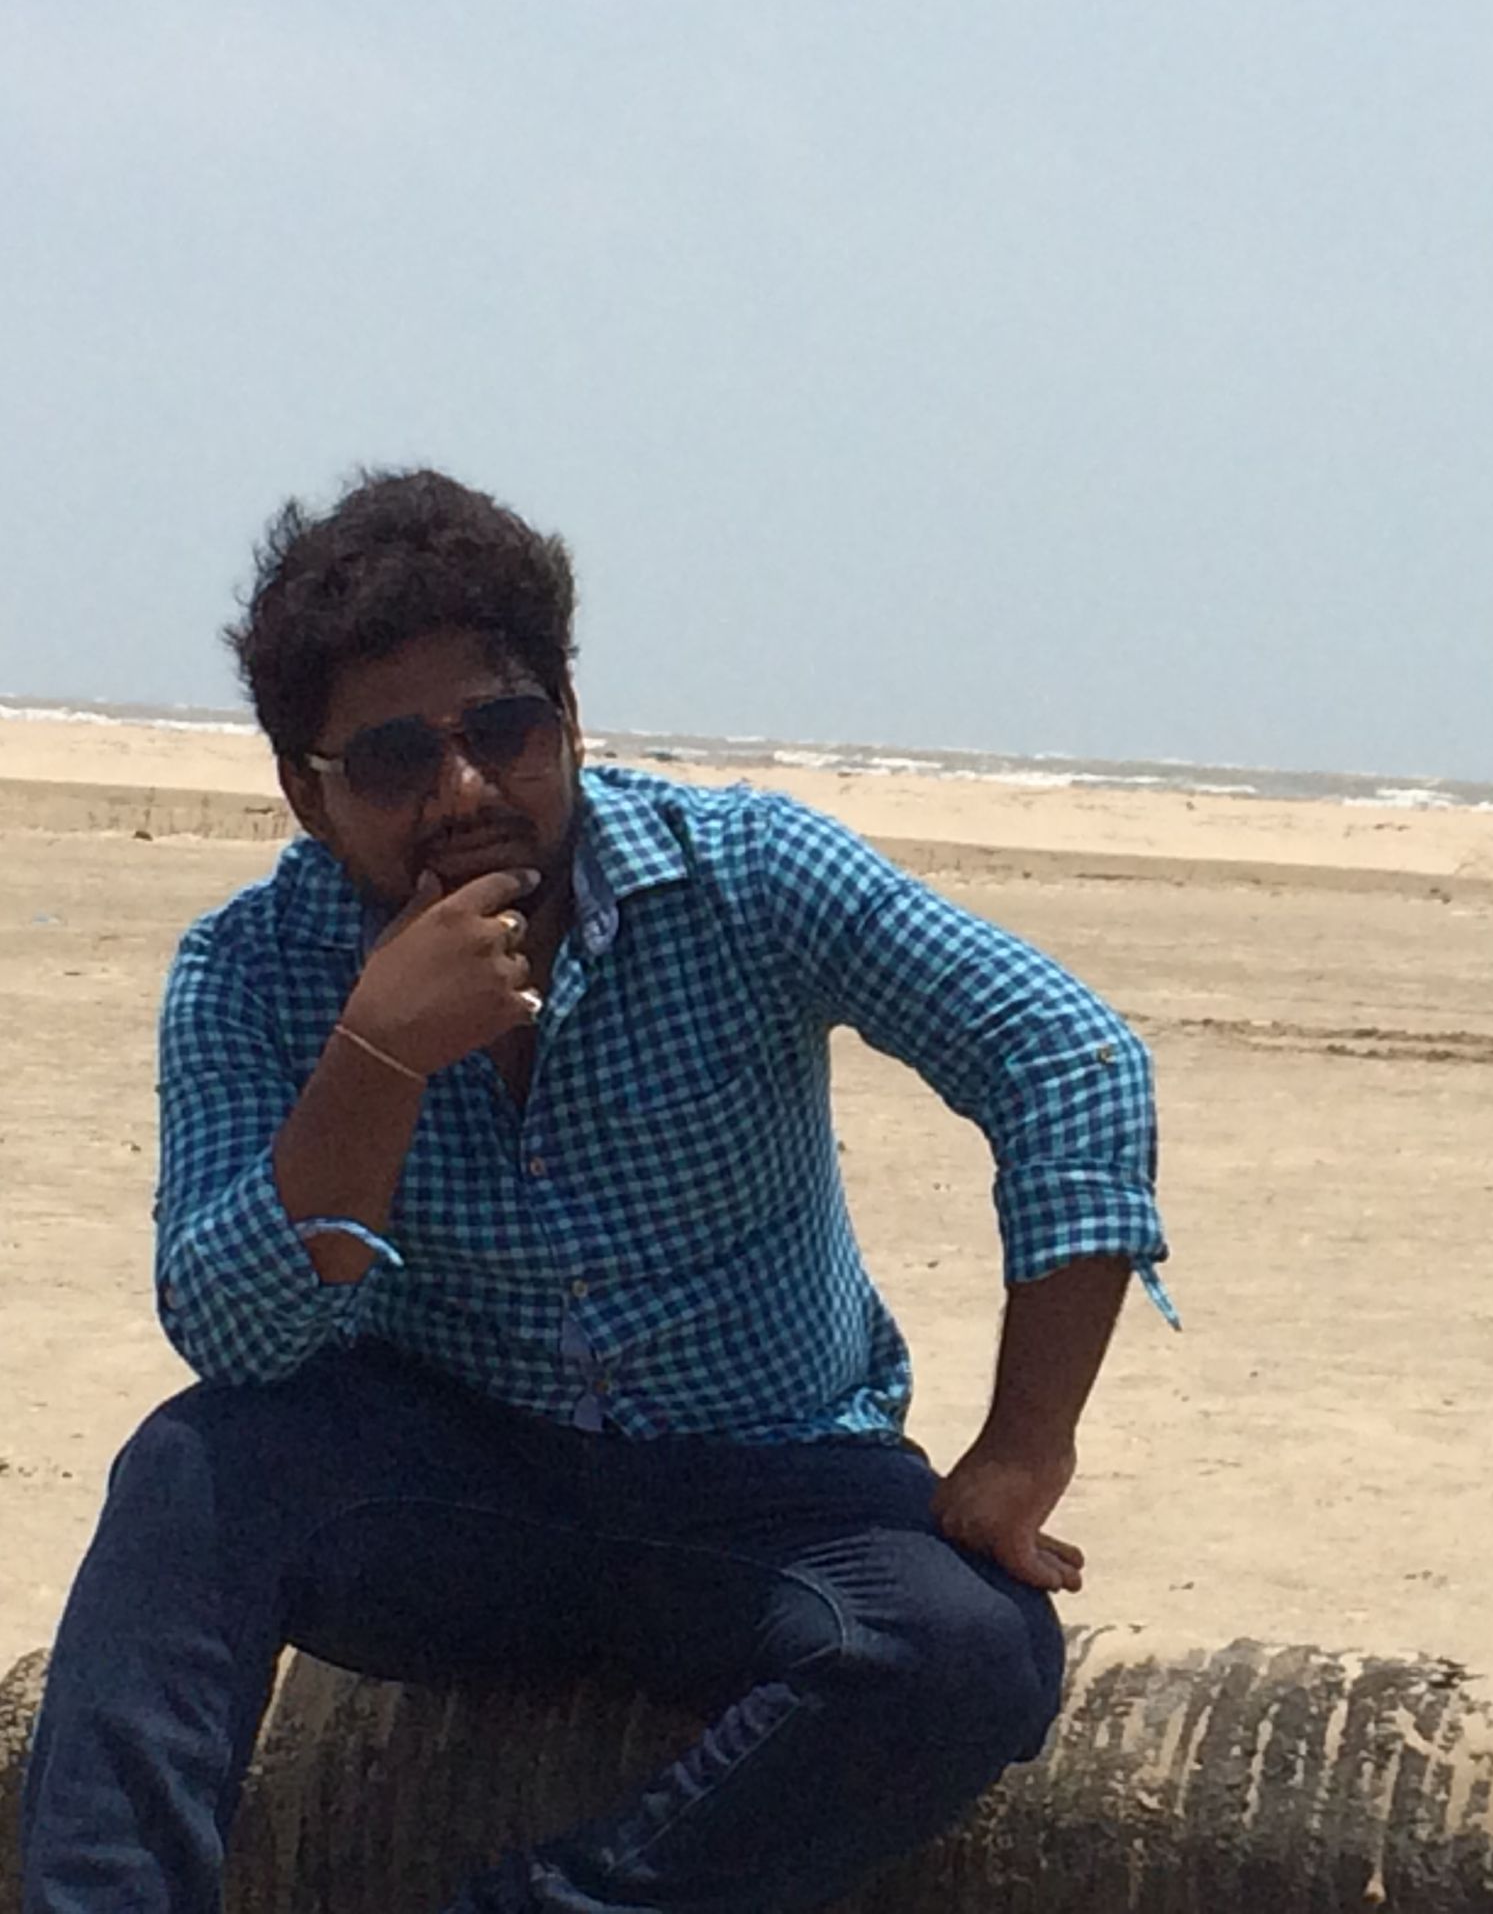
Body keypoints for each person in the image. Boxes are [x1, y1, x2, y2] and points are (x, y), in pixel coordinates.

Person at [18, 469, 1175, 1913]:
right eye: (392, 758)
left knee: (972, 1654)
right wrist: (377, 1055)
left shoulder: (746, 872)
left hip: (774, 1485)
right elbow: (234, 1337)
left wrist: (1023, 1446)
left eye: (502, 731)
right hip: (451, 1490)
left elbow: (1065, 1056)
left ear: (568, 716)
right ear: (306, 793)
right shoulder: (252, 968)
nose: (462, 792)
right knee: (192, 1474)